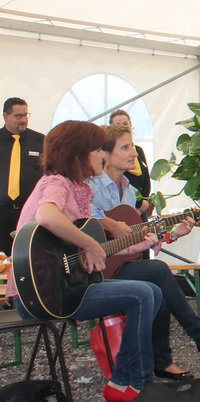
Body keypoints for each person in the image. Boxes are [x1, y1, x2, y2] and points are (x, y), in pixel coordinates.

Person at [9, 121, 160, 402]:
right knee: (142, 293)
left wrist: (133, 247)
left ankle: (123, 382)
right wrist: (90, 243)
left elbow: (80, 254)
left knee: (150, 291)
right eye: (98, 149)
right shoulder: (57, 183)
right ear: (78, 154)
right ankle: (135, 385)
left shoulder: (76, 188)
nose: (102, 155)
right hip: (42, 294)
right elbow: (46, 216)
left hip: (64, 286)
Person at [88, 124, 200, 382]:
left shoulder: (128, 190)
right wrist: (108, 224)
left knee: (156, 283)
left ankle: (163, 361)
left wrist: (173, 234)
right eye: (125, 147)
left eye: (132, 146)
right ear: (106, 155)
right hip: (93, 267)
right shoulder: (90, 186)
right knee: (157, 271)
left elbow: (139, 238)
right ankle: (198, 337)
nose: (134, 153)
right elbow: (82, 220)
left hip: (120, 262)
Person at [1, 97, 44, 255]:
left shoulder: (40, 141)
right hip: (2, 211)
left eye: (26, 115)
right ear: (6, 116)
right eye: (18, 116)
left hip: (29, 212)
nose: (24, 120)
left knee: (27, 255)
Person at [108, 110, 151, 219]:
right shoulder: (97, 186)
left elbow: (146, 178)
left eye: (125, 124)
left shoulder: (127, 187)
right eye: (124, 148)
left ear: (131, 125)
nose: (134, 154)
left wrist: (143, 203)